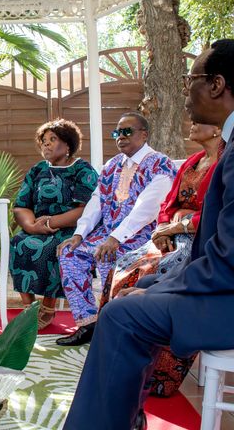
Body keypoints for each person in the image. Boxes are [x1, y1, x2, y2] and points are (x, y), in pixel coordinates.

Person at [64, 39, 234, 430]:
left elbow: (226, 259)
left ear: (217, 85)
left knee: (122, 315)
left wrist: (157, 291)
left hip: (227, 294)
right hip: (214, 273)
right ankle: (125, 417)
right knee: (143, 284)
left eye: (190, 80)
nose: (184, 94)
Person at [98, 122, 223, 397]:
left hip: (201, 240)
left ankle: (160, 373)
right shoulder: (194, 160)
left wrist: (179, 226)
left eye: (198, 121)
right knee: (125, 266)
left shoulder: (227, 162)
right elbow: (168, 203)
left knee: (152, 276)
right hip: (170, 236)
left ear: (216, 128)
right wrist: (161, 230)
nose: (190, 124)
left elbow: (219, 216)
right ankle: (124, 361)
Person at [55, 112, 175, 346]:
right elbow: (96, 201)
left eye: (127, 131)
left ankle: (113, 326)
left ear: (144, 134)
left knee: (107, 255)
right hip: (106, 234)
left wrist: (115, 238)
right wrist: (79, 234)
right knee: (70, 253)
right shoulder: (111, 166)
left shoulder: (160, 163)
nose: (120, 137)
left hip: (142, 235)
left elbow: (147, 208)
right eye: (117, 133)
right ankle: (87, 324)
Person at [9, 119, 97, 329]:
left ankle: (48, 307)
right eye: (44, 140)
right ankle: (29, 308)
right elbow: (21, 205)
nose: (46, 144)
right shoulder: (37, 170)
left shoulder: (81, 170)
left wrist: (52, 221)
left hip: (70, 228)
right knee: (19, 242)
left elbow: (87, 208)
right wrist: (31, 227)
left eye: (53, 139)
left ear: (68, 145)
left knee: (52, 249)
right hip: (38, 227)